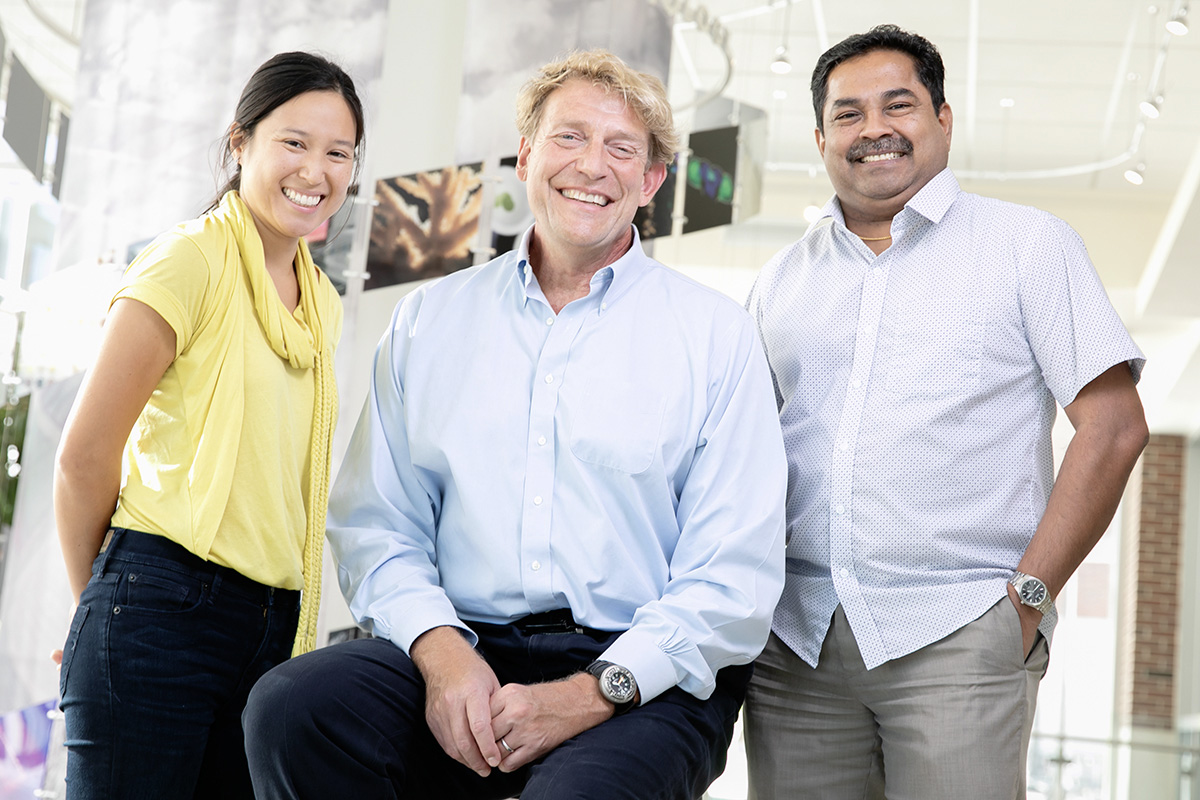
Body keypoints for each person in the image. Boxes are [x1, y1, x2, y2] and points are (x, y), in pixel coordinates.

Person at [242, 48, 787, 800]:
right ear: (526, 156)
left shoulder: (715, 337)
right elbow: (377, 525)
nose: (592, 166)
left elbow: (732, 577)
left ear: (651, 181)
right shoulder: (429, 320)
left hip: (641, 676)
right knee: (295, 708)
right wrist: (441, 654)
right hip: (463, 645)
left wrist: (588, 693)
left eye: (621, 148)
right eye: (569, 138)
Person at [742, 24, 1149, 800]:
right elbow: (742, 454)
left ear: (943, 120)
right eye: (850, 114)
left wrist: (1028, 601)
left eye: (899, 105)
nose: (875, 129)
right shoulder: (781, 279)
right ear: (822, 136)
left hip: (959, 632)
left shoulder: (1027, 245)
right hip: (796, 644)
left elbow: (1115, 426)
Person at [53, 51, 364, 799]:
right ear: (240, 143)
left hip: (270, 627)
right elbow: (83, 459)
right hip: (158, 605)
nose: (315, 171)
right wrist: (95, 610)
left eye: (338, 153)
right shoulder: (189, 260)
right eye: (293, 142)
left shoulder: (321, 302)